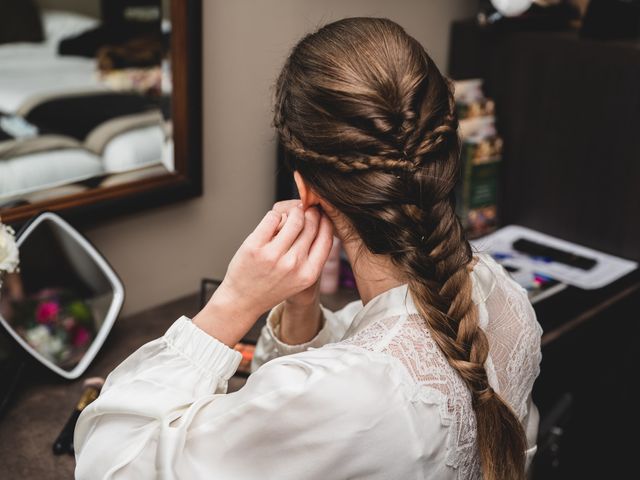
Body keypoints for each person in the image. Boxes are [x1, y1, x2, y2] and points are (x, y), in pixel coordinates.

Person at [74, 17, 542, 480]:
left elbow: (109, 463)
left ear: (305, 187)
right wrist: (302, 308)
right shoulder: (505, 297)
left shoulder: (352, 396)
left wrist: (232, 303)